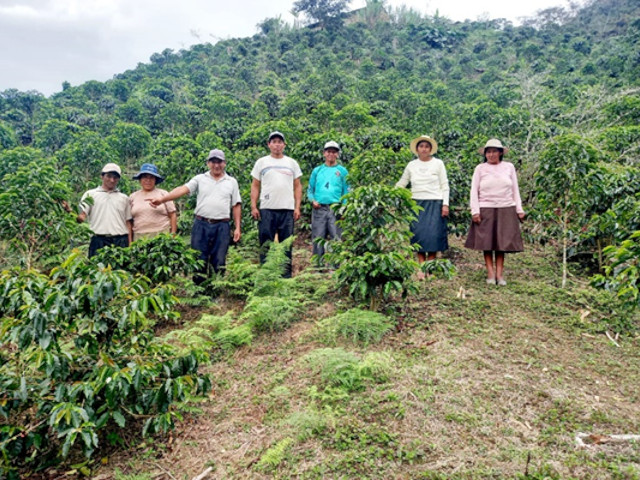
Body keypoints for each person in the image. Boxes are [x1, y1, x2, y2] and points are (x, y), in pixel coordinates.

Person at [149, 149, 241, 285]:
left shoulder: (231, 182)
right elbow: (183, 189)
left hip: (222, 226)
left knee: (219, 259)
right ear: (208, 163)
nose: (216, 165)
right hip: (201, 224)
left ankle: (216, 289)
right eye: (213, 162)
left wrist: (238, 227)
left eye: (219, 162)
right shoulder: (200, 179)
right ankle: (198, 290)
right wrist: (163, 199)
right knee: (199, 257)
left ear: (225, 163)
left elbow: (236, 205)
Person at [464, 138, 525, 286]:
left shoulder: (509, 167)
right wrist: (475, 211)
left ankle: (500, 275)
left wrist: (519, 208)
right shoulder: (480, 168)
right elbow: (474, 190)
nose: (491, 155)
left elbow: (515, 189)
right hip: (486, 207)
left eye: (494, 151)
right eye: (488, 152)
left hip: (506, 208)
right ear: (485, 154)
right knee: (487, 242)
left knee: (501, 244)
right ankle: (490, 273)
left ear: (500, 153)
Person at [396, 135, 449, 279]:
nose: (424, 149)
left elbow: (445, 185)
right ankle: (420, 268)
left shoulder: (438, 163)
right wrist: (390, 193)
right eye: (421, 146)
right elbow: (403, 182)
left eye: (427, 146)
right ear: (417, 149)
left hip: (435, 202)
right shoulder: (411, 165)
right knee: (418, 235)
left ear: (431, 149)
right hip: (416, 203)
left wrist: (445, 204)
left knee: (433, 236)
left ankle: (430, 267)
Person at [250, 131, 302, 278]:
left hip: (287, 210)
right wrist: (254, 206)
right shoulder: (261, 162)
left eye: (280, 142)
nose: (277, 144)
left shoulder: (292, 163)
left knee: (286, 246)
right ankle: (265, 276)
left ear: (284, 145)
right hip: (267, 209)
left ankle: (285, 278)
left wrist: (297, 207)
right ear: (269, 144)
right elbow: (255, 186)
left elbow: (297, 186)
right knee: (265, 244)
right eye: (274, 142)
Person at [307, 140, 350, 267]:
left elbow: (347, 191)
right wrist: (312, 200)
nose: (331, 154)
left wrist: (344, 208)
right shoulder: (317, 170)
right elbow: (310, 190)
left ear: (338, 154)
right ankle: (317, 267)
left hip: (335, 209)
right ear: (324, 153)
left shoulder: (342, 171)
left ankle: (336, 267)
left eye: (334, 152)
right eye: (328, 151)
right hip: (319, 209)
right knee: (318, 238)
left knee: (336, 238)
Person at [77, 162, 132, 257]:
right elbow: (82, 216)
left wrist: (130, 244)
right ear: (102, 176)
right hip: (99, 240)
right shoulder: (90, 194)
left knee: (122, 271)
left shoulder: (124, 198)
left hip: (120, 241)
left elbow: (128, 223)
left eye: (115, 177)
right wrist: (69, 211)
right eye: (109, 176)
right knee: (96, 270)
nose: (112, 180)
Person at [130, 163, 177, 241]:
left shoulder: (163, 194)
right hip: (139, 237)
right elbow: (129, 221)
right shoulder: (132, 197)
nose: (148, 180)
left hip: (162, 235)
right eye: (145, 177)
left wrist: (173, 235)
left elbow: (172, 215)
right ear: (140, 179)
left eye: (151, 178)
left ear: (155, 180)